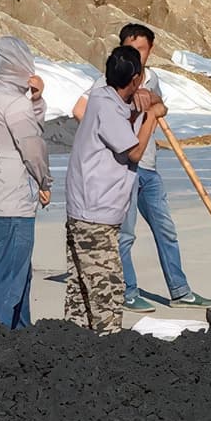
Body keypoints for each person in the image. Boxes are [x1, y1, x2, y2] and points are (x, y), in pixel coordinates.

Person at [115, 23, 210, 309]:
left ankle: (180, 291)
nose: (136, 55)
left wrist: (155, 103)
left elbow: (158, 106)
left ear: (150, 51)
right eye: (130, 49)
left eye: (141, 50)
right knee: (125, 234)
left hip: (149, 166)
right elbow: (84, 111)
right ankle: (127, 292)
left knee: (165, 228)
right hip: (124, 168)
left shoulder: (152, 78)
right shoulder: (112, 81)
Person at [0, 32, 52, 328]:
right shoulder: (14, 103)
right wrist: (44, 182)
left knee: (17, 276)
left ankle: (21, 337)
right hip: (13, 206)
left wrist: (36, 99)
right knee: (8, 284)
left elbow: (26, 125)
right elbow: (32, 146)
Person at [65, 45, 147, 332]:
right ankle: (107, 345)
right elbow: (134, 152)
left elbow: (125, 122)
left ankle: (77, 343)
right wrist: (152, 116)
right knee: (105, 290)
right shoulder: (107, 107)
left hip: (88, 206)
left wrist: (141, 111)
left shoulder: (103, 96)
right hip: (95, 211)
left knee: (81, 289)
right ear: (135, 78)